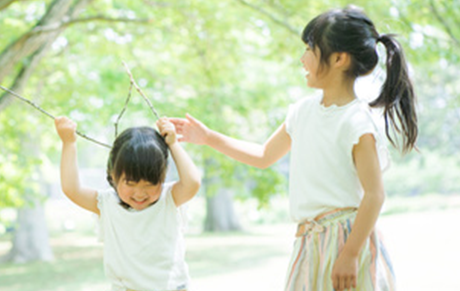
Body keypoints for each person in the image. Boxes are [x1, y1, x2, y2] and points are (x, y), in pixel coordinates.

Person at [169, 6, 416, 291]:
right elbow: (263, 156)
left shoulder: (357, 122)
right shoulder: (302, 111)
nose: (303, 58)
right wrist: (208, 137)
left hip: (350, 241)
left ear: (339, 59)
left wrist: (349, 253)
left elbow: (375, 195)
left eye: (310, 49)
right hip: (309, 242)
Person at [55, 116, 201, 291]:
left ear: (162, 177)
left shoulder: (169, 199)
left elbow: (192, 182)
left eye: (149, 184)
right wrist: (69, 143)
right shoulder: (107, 204)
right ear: (113, 176)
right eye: (130, 184)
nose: (140, 193)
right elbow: (72, 189)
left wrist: (174, 144)